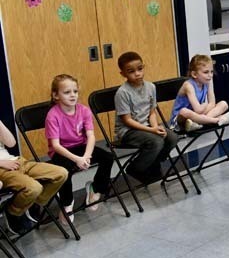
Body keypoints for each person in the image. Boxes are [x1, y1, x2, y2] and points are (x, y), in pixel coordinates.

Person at [46, 74, 115, 222]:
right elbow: (55, 145)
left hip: (81, 147)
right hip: (62, 151)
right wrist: (77, 160)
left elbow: (91, 136)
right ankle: (67, 203)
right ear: (55, 95)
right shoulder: (53, 115)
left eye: (75, 91)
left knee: (108, 157)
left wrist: (86, 156)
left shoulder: (84, 110)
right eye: (67, 92)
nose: (72, 95)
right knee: (65, 170)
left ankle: (95, 188)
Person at [114, 51, 178, 185]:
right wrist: (152, 131)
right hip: (127, 131)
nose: (137, 73)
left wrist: (155, 127)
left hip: (147, 128)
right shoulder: (122, 93)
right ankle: (135, 168)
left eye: (140, 69)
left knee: (172, 137)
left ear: (144, 67)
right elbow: (128, 121)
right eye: (131, 71)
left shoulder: (151, 87)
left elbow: (152, 113)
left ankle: (153, 163)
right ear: (123, 74)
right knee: (156, 142)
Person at [0, 117, 67, 236]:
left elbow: (11, 143)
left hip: (17, 161)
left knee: (61, 173)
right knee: (34, 188)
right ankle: (13, 212)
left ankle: (31, 204)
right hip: (2, 170)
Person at [169, 54, 229, 132]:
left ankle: (199, 123)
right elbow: (198, 109)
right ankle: (217, 120)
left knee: (223, 104)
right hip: (181, 121)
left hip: (197, 116)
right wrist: (205, 105)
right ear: (194, 74)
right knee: (184, 111)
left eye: (211, 72)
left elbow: (212, 103)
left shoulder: (208, 81)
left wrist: (204, 107)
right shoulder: (188, 85)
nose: (210, 75)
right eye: (206, 72)